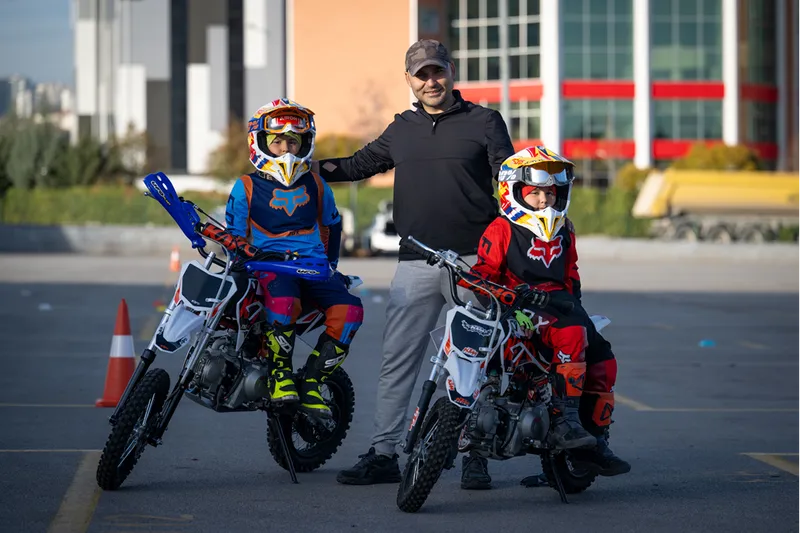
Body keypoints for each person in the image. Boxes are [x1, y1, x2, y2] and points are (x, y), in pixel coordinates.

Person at [315, 39, 515, 489]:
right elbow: (358, 164)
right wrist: (306, 166)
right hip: (416, 262)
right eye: (421, 75)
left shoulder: (485, 122)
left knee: (475, 362)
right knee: (397, 361)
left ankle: (473, 455)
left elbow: (509, 181)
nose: (431, 81)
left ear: (451, 71)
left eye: (437, 72)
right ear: (409, 79)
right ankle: (384, 453)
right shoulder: (401, 128)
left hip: (475, 265)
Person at [467, 145, 631, 484]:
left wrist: (577, 306)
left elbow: (571, 274)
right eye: (536, 192)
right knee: (489, 376)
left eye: (551, 193)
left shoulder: (565, 229)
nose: (545, 200)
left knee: (603, 357)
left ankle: (594, 443)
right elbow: (483, 273)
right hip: (516, 305)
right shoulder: (501, 228)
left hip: (561, 306)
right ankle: (557, 424)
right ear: (514, 191)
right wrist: (494, 296)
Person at [225, 99, 363, 417]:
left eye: (293, 141)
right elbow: (233, 237)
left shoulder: (316, 183)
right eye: (277, 141)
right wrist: (241, 268)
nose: (286, 149)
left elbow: (332, 225)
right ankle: (279, 375)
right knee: (285, 300)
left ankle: (312, 382)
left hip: (314, 268)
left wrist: (331, 268)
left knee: (351, 311)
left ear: (304, 144)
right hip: (270, 267)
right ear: (259, 142)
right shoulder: (245, 186)